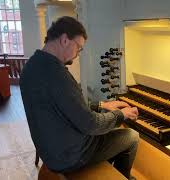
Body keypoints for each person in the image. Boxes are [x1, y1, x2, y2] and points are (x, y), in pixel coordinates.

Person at [19, 16, 139, 179]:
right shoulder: (57, 74)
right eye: (79, 47)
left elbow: (66, 106)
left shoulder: (32, 65)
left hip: (50, 151)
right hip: (70, 156)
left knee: (108, 129)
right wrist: (121, 115)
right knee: (131, 136)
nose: (77, 54)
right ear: (64, 40)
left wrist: (102, 105)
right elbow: (90, 124)